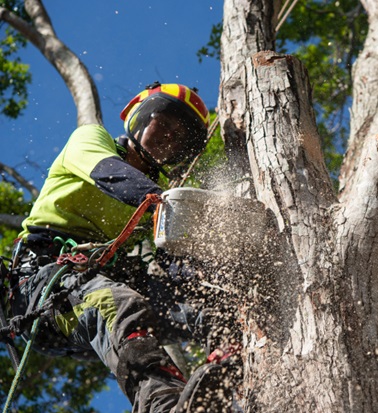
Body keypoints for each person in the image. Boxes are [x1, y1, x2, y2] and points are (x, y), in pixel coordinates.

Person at [8, 82, 236, 412]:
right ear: (141, 117)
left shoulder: (155, 200)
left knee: (203, 306)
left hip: (96, 292)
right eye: (165, 123)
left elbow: (173, 264)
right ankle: (164, 404)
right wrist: (167, 204)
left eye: (181, 136)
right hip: (46, 284)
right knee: (118, 305)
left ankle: (231, 362)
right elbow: (109, 174)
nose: (170, 136)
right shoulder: (93, 141)